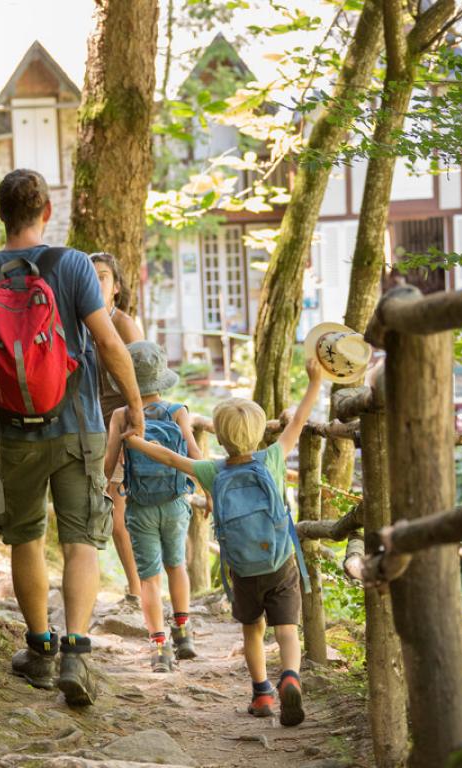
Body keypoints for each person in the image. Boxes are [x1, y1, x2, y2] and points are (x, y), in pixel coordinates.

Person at [0, 169, 144, 707]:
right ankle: (77, 651)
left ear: (1, 214)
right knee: (80, 540)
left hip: (15, 434)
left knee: (25, 538)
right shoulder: (73, 265)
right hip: (79, 427)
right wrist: (136, 405)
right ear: (46, 213)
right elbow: (107, 343)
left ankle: (40, 652)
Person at [123, 355, 324, 726]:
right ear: (259, 431)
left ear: (223, 436)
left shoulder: (212, 470)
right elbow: (297, 421)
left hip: (243, 569)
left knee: (253, 630)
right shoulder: (272, 459)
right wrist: (314, 381)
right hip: (279, 562)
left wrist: (135, 442)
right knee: (286, 630)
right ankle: (291, 677)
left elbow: (169, 457)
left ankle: (262, 693)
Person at [104, 341, 202, 673]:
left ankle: (159, 649)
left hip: (140, 505)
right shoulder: (178, 411)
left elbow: (108, 466)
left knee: (149, 578)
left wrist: (110, 484)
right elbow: (194, 456)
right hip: (175, 504)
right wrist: (212, 489)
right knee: (177, 566)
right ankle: (184, 633)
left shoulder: (121, 415)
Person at [90, 252, 144, 607]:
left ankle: (137, 589)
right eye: (90, 277)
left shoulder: (124, 326)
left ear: (117, 287)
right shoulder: (81, 324)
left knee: (117, 513)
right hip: (90, 427)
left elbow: (144, 383)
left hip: (122, 427)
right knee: (97, 510)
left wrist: (133, 433)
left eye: (104, 276)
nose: (96, 282)